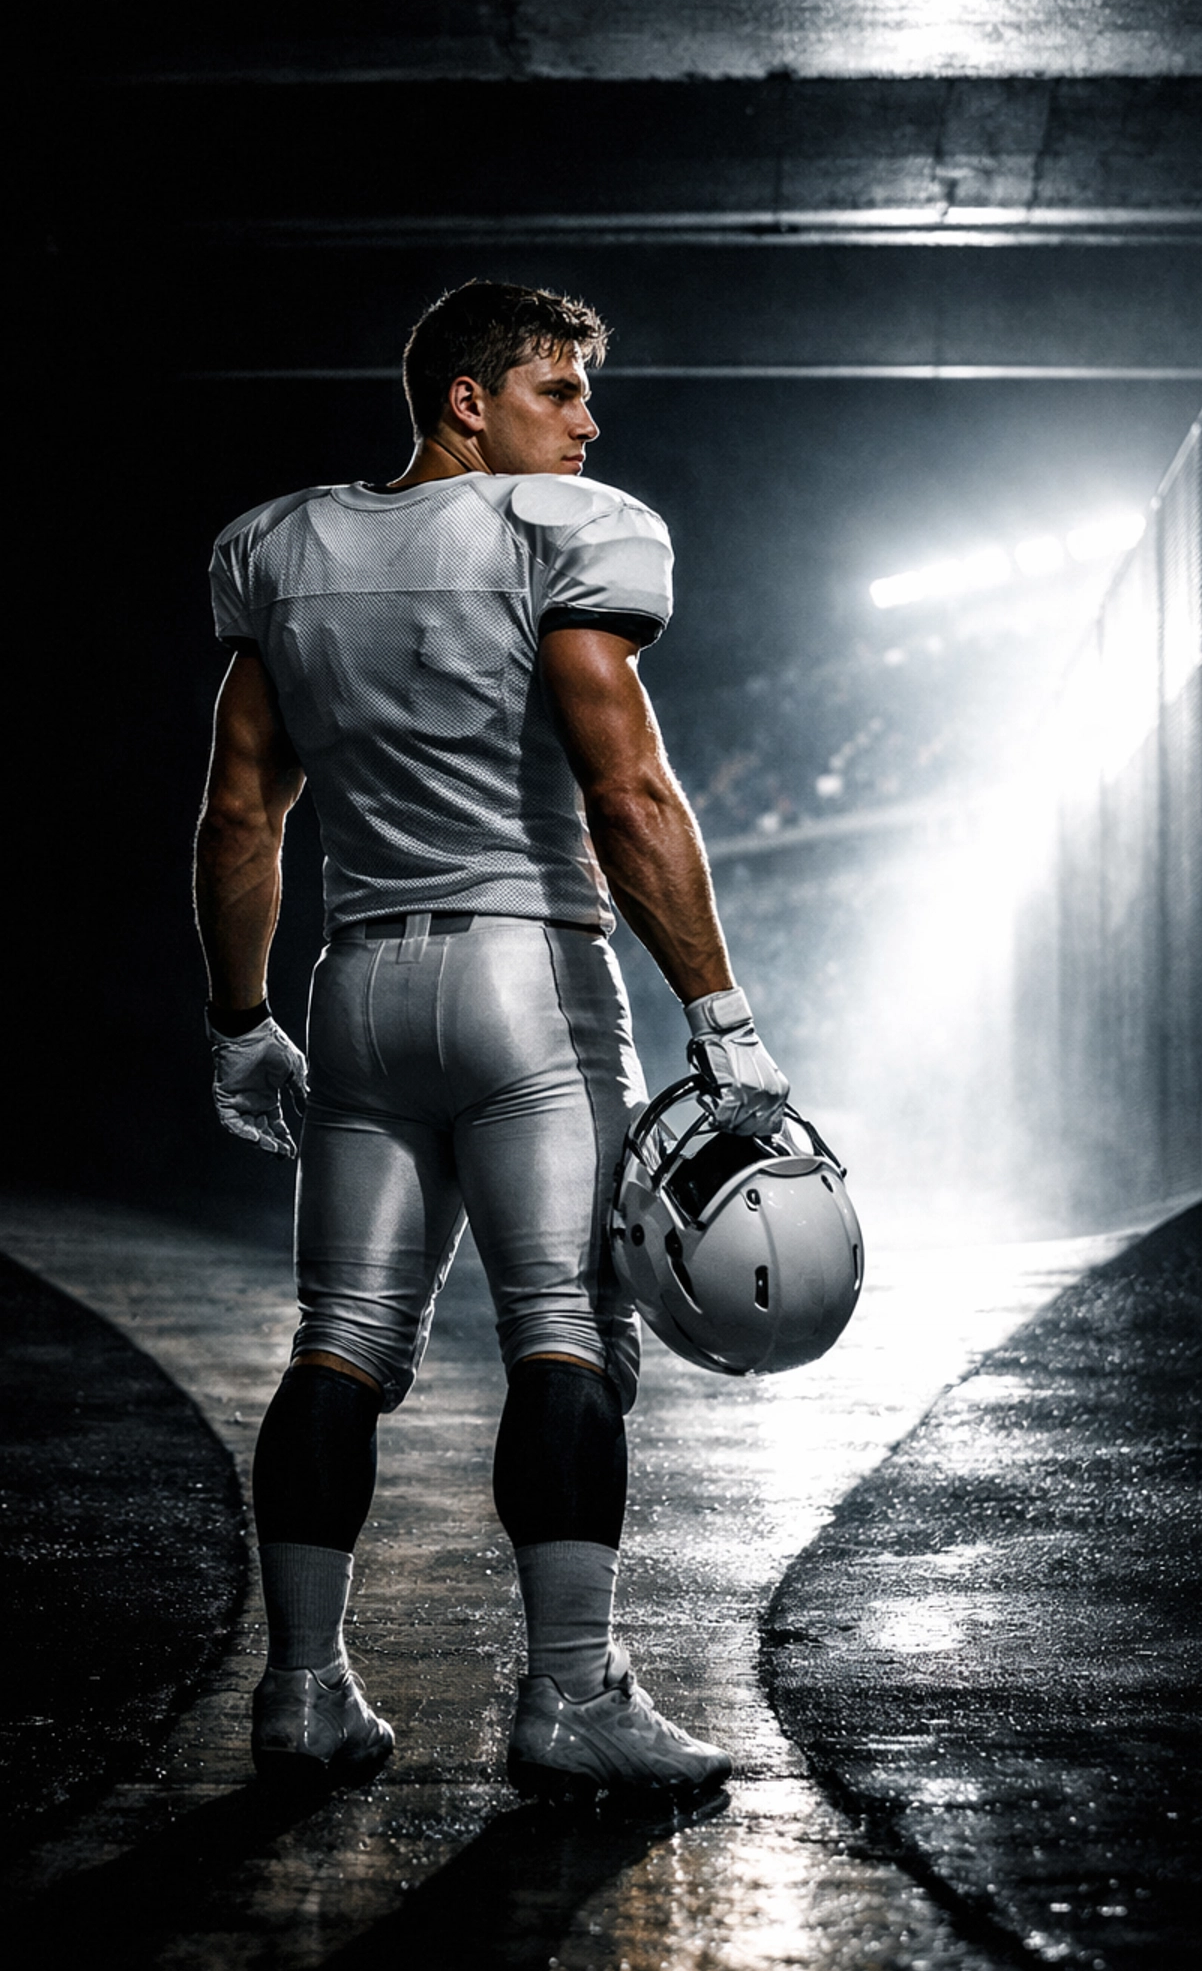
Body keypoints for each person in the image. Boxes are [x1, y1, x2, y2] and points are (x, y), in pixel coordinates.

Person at [194, 280, 789, 1801]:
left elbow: (244, 813)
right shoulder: (550, 536)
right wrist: (719, 1010)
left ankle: (304, 1694)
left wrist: (243, 1019)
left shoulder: (287, 548)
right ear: (469, 400)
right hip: (530, 974)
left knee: (338, 1344)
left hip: (359, 986)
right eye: (559, 389)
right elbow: (631, 792)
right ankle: (574, 1697)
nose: (589, 422)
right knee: (566, 1337)